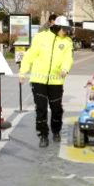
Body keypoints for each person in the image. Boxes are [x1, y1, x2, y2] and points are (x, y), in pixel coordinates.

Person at [19, 16, 74, 147]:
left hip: (56, 81)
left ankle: (56, 131)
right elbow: (30, 55)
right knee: (41, 109)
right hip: (38, 80)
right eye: (64, 29)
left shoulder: (67, 41)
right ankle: (43, 135)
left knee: (56, 109)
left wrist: (65, 69)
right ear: (56, 27)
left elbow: (68, 58)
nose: (65, 32)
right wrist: (23, 72)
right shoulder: (41, 37)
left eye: (67, 30)